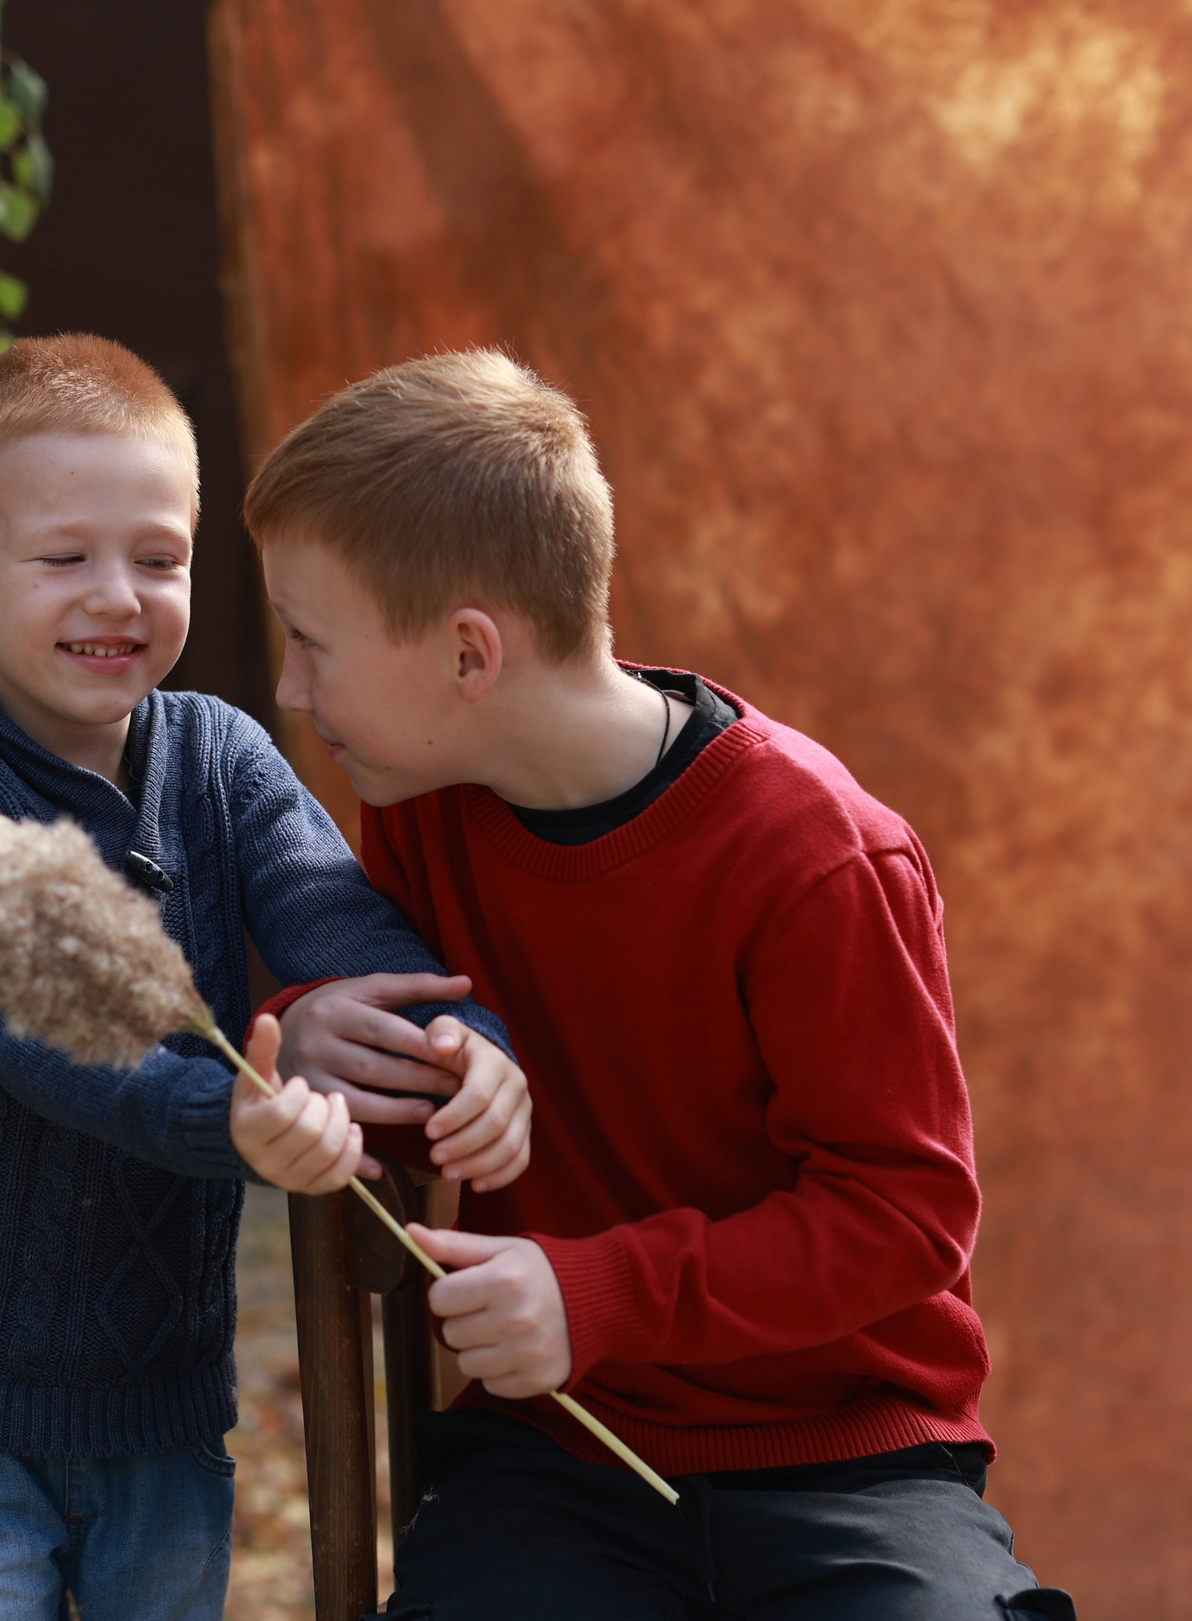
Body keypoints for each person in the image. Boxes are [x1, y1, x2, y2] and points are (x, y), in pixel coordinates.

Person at [250, 350, 1076, 1620]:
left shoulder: (819, 856)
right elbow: (425, 1117)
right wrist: (323, 1052)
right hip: (559, 1458)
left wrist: (596, 1295)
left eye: (311, 644)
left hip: (850, 1464)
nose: (289, 692)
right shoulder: (420, 811)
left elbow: (904, 1219)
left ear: (470, 655)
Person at [0, 334, 531, 1621]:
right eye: (61, 559)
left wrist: (465, 1044)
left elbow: (340, 918)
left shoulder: (220, 757)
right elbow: (44, 1035)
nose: (117, 596)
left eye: (158, 558)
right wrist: (233, 1121)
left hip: (159, 1410)